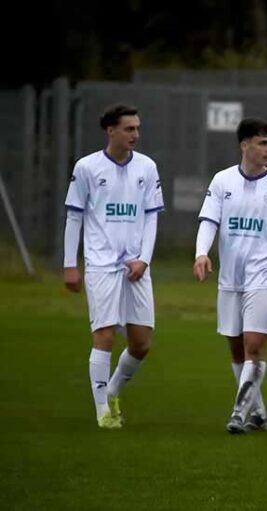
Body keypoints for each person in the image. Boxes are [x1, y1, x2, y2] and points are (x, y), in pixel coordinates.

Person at [193, 118, 267, 434]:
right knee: (236, 348)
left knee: (254, 344)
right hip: (231, 277)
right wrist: (201, 253)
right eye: (262, 143)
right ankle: (258, 413)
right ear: (245, 145)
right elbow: (208, 221)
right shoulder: (222, 181)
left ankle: (239, 414)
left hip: (265, 276)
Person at [64, 104, 163, 429]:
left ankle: (114, 391)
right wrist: (70, 265)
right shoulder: (87, 167)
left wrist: (144, 259)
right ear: (111, 131)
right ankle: (102, 412)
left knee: (141, 342)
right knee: (104, 335)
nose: (135, 134)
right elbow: (74, 216)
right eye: (129, 128)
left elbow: (151, 218)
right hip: (101, 265)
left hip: (136, 267)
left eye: (137, 128)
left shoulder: (147, 167)